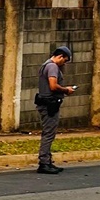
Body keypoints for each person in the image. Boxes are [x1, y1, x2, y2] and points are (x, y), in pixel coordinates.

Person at [35, 45, 76, 174]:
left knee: (48, 133)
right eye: (65, 60)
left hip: (46, 103)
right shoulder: (52, 66)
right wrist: (66, 90)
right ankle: (44, 163)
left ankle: (47, 161)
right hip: (49, 104)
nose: (64, 63)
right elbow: (53, 86)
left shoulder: (46, 65)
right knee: (49, 134)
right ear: (60, 56)